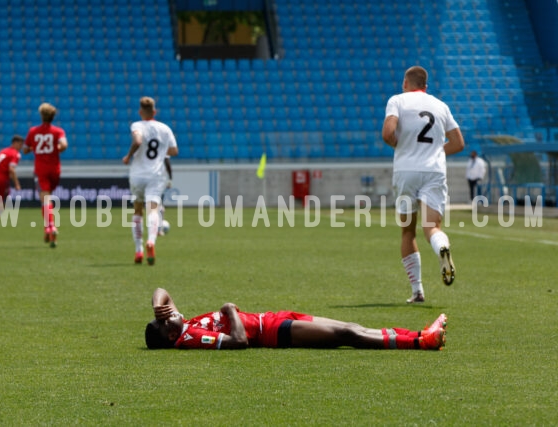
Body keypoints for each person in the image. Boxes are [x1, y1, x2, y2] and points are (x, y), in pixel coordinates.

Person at [381, 66, 465, 304]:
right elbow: (458, 143)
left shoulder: (397, 100)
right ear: (425, 86)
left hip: (406, 171)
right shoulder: (440, 106)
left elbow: (388, 133)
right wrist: (435, 151)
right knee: (432, 227)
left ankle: (417, 290)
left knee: (408, 231)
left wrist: (404, 146)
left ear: (405, 83)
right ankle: (441, 249)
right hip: (434, 171)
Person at [145, 288, 447, 350]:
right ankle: (422, 343)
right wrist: (229, 310)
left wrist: (159, 306)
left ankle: (419, 335)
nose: (169, 314)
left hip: (276, 318)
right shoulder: (190, 337)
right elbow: (238, 342)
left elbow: (162, 291)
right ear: (171, 337)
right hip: (273, 331)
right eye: (165, 321)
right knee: (347, 335)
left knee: (350, 328)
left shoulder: (181, 324)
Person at [122, 97, 178, 265]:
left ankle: (138, 251)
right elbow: (174, 151)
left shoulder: (137, 125)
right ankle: (151, 241)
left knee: (137, 211)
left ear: (140, 112)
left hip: (138, 174)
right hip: (156, 174)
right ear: (155, 112)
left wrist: (128, 155)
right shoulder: (165, 129)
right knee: (153, 210)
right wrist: (162, 150)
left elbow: (138, 141)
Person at [23, 102, 68, 248]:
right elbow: (64, 145)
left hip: (41, 169)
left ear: (41, 116)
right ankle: (49, 233)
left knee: (45, 199)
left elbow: (24, 149)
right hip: (55, 169)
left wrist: (32, 147)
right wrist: (58, 148)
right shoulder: (58, 131)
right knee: (48, 198)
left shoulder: (33, 131)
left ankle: (50, 226)